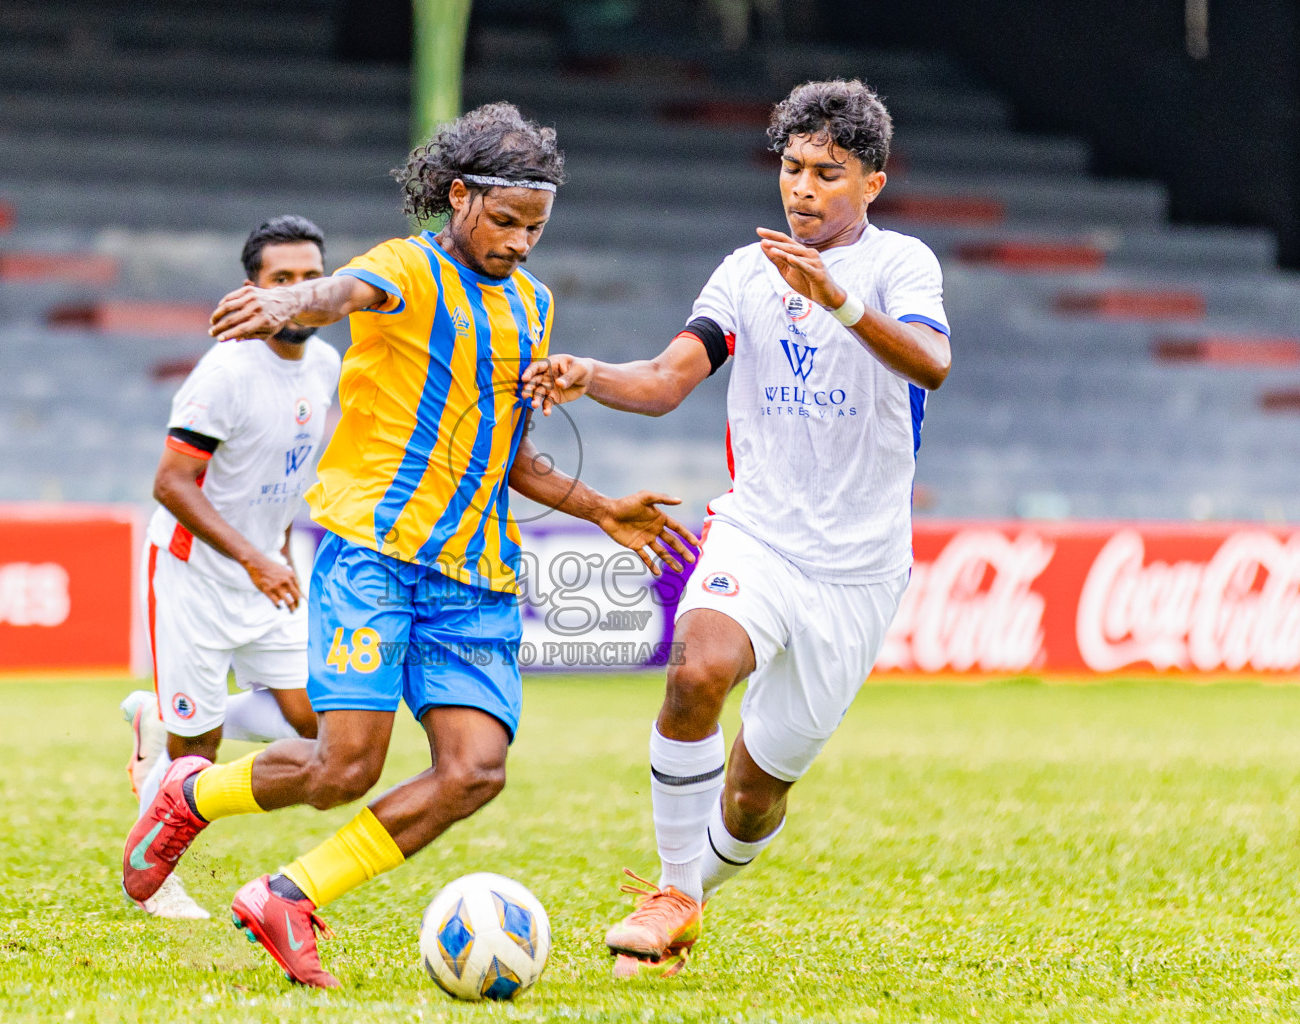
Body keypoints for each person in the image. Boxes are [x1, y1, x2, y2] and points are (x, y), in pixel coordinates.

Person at [121, 102, 697, 987]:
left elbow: (512, 456)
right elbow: (341, 293)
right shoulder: (406, 267)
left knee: (475, 772)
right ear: (459, 197)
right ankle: (190, 792)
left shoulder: (533, 308)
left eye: (536, 228)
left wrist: (600, 508)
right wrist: (288, 299)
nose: (520, 243)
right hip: (376, 559)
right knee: (342, 767)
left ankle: (288, 896)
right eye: (505, 221)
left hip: (476, 579)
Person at [522, 79, 952, 977]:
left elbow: (933, 364)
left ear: (872, 183)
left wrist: (836, 300)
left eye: (827, 173)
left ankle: (689, 898)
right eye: (792, 168)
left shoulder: (901, 265)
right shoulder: (745, 271)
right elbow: (667, 380)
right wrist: (589, 373)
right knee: (697, 670)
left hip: (859, 571)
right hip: (757, 534)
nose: (802, 188)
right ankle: (671, 894)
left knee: (754, 798)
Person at [119, 215, 340, 919]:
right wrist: (252, 557)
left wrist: (279, 552)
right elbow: (170, 483)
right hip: (198, 574)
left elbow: (284, 473)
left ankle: (157, 720)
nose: (298, 291)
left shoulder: (326, 365)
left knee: (323, 726)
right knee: (200, 749)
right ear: (253, 289)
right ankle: (157, 878)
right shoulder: (225, 372)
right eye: (282, 279)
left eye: (311, 277)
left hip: (265, 571)